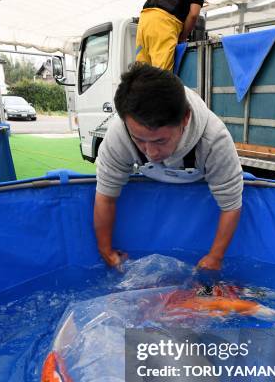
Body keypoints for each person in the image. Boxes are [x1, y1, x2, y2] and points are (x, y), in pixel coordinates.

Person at [94, 63, 243, 271]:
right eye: (139, 140)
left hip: (203, 193)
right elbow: (105, 195)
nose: (151, 153)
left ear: (185, 118)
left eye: (160, 141)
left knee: (209, 290)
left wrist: (215, 257)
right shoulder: (118, 136)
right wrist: (106, 250)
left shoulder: (214, 139)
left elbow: (231, 204)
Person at [135, 0, 213, 71]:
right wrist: (182, 37)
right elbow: (194, 14)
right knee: (162, 76)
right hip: (163, 22)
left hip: (144, 20)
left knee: (141, 74)